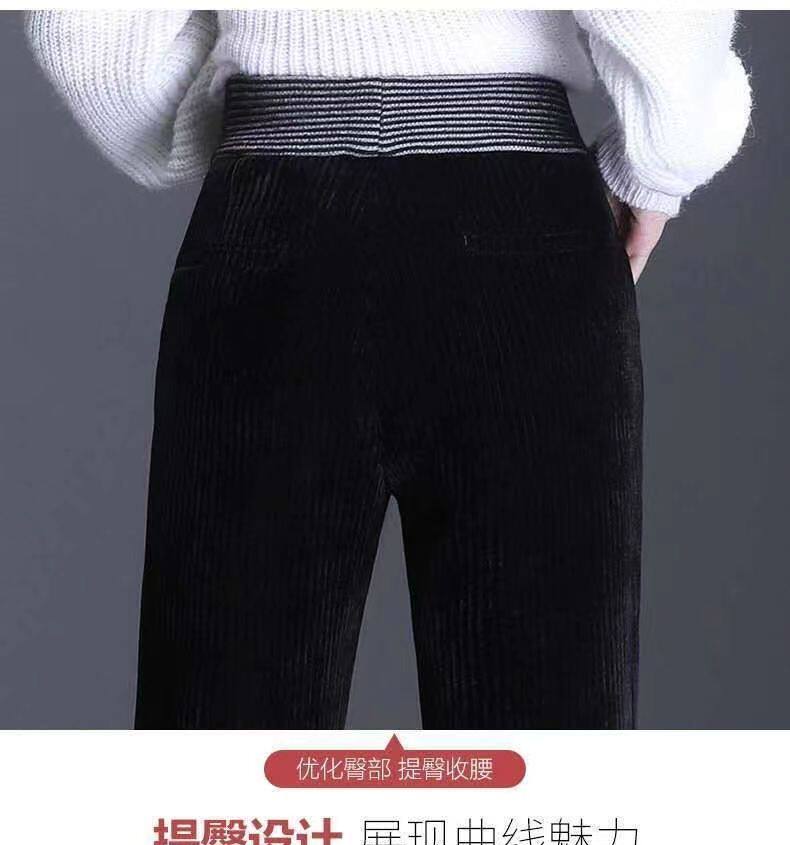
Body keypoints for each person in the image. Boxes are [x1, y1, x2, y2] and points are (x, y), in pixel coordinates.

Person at [25, 10, 752, 729]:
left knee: (219, 742)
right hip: (523, 217)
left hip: (273, 210)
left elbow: (83, 33)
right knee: (547, 751)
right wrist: (656, 168)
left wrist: (260, 114)